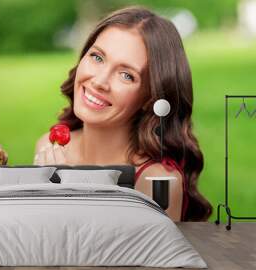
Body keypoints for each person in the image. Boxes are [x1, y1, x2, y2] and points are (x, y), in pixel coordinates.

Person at [33, 6, 212, 222]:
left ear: (150, 98)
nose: (99, 81)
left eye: (127, 75)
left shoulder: (156, 182)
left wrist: (64, 198)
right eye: (97, 57)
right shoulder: (48, 148)